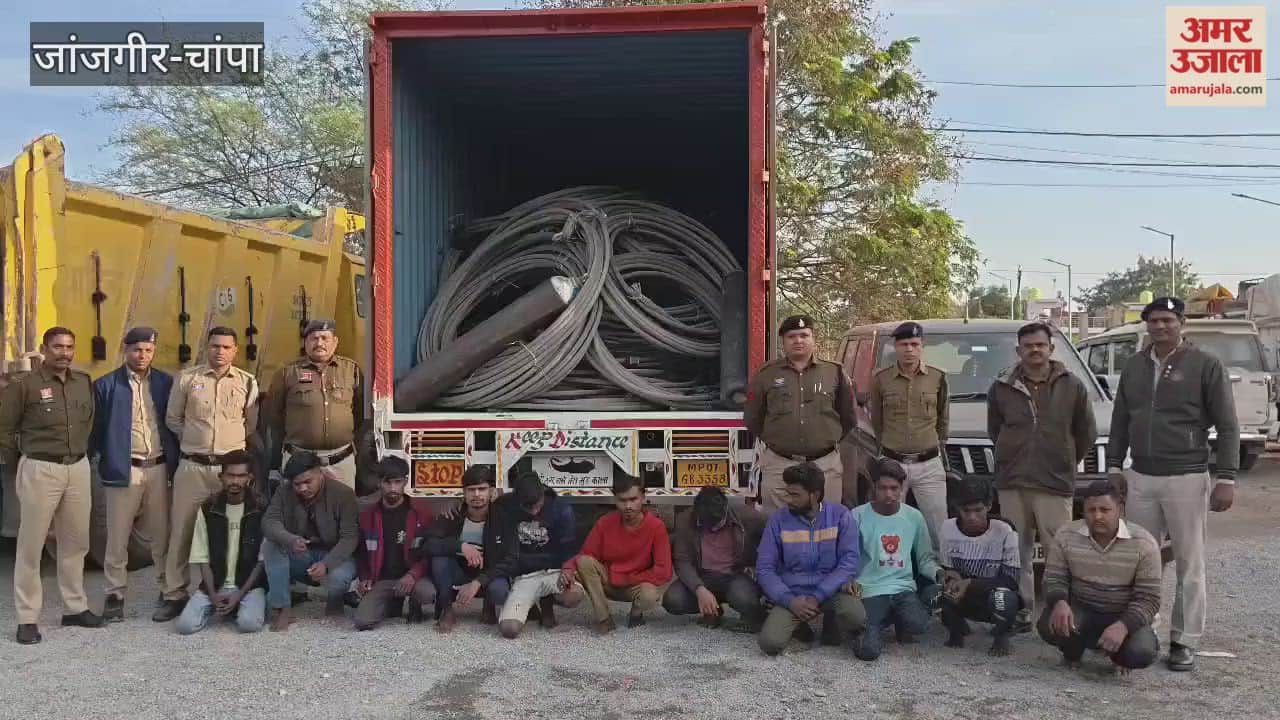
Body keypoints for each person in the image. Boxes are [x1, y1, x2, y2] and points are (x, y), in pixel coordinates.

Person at [1107, 296, 1238, 672]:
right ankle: (1139, 631)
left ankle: (1184, 640)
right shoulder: (1133, 366)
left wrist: (1226, 477)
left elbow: (1228, 425)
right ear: (1145, 324)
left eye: (1168, 320)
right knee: (1139, 560)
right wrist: (1115, 465)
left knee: (1188, 561)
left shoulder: (1205, 364)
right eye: (1154, 320)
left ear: (1182, 322)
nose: (1160, 326)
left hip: (1186, 475)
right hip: (1141, 475)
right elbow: (1120, 420)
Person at [988, 321, 1097, 631]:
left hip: (1054, 482)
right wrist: (1013, 455)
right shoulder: (1002, 386)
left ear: (1051, 347)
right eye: (1028, 345)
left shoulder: (1072, 385)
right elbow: (995, 430)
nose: (1034, 350)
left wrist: (1063, 459)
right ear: (1018, 350)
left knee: (1057, 553)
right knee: (1016, 551)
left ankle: (1058, 613)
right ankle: (1021, 609)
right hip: (1013, 481)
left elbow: (1085, 432)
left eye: (1040, 345)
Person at [0, 328, 103, 644]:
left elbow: (89, 423)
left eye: (69, 347)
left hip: (77, 467)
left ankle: (75, 607)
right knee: (30, 545)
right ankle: (27, 618)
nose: (64, 352)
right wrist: (21, 465)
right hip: (40, 467)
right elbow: (4, 428)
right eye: (57, 346)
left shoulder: (83, 382)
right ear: (44, 348)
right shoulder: (24, 385)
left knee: (75, 543)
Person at [161, 327, 259, 621]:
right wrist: (198, 443)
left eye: (226, 347)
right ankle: (174, 594)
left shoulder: (247, 381)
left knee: (236, 531)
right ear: (206, 347)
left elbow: (249, 425)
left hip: (231, 472)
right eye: (215, 346)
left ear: (235, 351)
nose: (220, 351)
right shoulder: (187, 379)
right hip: (194, 467)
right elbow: (173, 419)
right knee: (181, 531)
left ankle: (234, 588)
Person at [92, 327, 182, 624]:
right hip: (124, 469)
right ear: (125, 350)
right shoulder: (106, 386)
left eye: (148, 350)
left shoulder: (165, 383)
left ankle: (168, 591)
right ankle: (114, 595)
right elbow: (97, 430)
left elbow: (173, 424)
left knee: (161, 536)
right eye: (136, 350)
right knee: (117, 538)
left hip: (158, 468)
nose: (142, 355)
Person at [1039, 480, 1161, 674]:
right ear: (1083, 511)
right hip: (1083, 607)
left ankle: (1119, 656)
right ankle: (1072, 652)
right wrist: (1059, 602)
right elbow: (1054, 577)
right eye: (1091, 510)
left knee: (1141, 651)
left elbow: (1149, 599)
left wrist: (1123, 626)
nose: (1097, 516)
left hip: (1122, 613)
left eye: (1105, 510)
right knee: (1049, 625)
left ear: (1119, 510)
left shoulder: (1143, 544)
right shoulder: (1066, 534)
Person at [744, 315, 857, 513]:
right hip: (780, 464)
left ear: (813, 339)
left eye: (804, 335)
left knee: (827, 525)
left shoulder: (834, 372)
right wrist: (779, 440)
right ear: (783, 342)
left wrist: (826, 440)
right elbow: (753, 418)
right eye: (792, 336)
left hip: (825, 464)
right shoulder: (767, 374)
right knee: (778, 526)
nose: (798, 340)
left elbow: (848, 417)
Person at [755, 462, 865, 656]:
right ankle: (799, 626)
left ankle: (832, 621)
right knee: (769, 643)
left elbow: (849, 562)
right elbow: (764, 568)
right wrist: (789, 601)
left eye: (795, 495)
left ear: (814, 495)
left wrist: (818, 596)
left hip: (831, 591)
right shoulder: (777, 520)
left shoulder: (840, 516)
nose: (788, 500)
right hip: (793, 594)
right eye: (788, 493)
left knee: (855, 617)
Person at [851, 458, 943, 661]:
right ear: (874, 488)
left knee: (919, 625)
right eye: (882, 488)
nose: (889, 494)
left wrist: (939, 573)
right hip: (870, 590)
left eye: (894, 488)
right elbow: (850, 559)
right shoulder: (857, 516)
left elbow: (925, 558)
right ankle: (871, 626)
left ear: (902, 488)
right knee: (868, 652)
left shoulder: (914, 517)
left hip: (902, 589)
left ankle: (898, 620)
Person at [869, 321, 949, 551]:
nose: (909, 349)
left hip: (929, 464)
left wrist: (936, 446)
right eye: (903, 344)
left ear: (922, 346)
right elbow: (877, 420)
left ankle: (942, 578)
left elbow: (943, 419)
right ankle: (892, 576)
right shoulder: (881, 380)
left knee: (938, 527)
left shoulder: (937, 378)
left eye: (914, 344)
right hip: (893, 462)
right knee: (890, 524)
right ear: (895, 346)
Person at [473, 470, 580, 639]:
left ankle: (547, 605)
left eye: (537, 505)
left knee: (573, 596)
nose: (533, 511)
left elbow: (570, 548)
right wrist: (457, 505)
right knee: (509, 629)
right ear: (517, 498)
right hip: (522, 575)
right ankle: (529, 607)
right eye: (527, 506)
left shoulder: (562, 510)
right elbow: (482, 509)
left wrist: (568, 569)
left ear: (542, 493)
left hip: (552, 571)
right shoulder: (506, 504)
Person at [261, 451, 359, 631]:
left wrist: (326, 564)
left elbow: (350, 537)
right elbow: (269, 522)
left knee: (339, 578)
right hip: (302, 553)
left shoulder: (344, 494)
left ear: (320, 473)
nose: (303, 488)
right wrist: (290, 539)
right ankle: (283, 606)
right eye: (297, 484)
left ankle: (335, 601)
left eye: (308, 482)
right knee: (270, 546)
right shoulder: (284, 491)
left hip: (335, 555)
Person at [263, 319, 365, 490]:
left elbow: (360, 414)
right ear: (305, 342)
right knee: (298, 513)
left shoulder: (351, 371)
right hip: (299, 463)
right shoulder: (287, 373)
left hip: (340, 463)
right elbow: (274, 418)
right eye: (314, 338)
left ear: (335, 341)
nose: (319, 343)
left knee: (342, 512)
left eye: (325, 338)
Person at [173, 450, 267, 634]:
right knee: (185, 626)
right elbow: (202, 558)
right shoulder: (209, 509)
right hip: (216, 584)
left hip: (248, 586)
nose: (235, 481)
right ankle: (223, 607)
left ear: (250, 478)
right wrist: (214, 596)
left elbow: (261, 562)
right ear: (221, 476)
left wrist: (239, 595)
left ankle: (237, 607)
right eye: (230, 475)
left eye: (241, 476)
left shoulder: (260, 509)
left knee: (249, 624)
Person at [565, 475, 672, 634]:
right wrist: (567, 568)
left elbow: (663, 571)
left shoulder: (656, 527)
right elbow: (586, 554)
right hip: (609, 580)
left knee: (650, 595)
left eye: (633, 499)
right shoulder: (605, 522)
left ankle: (636, 615)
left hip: (636, 584)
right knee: (584, 562)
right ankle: (604, 619)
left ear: (643, 498)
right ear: (615, 500)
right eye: (622, 500)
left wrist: (628, 578)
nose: (628, 505)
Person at [938, 475, 1022, 656]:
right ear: (957, 508)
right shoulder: (947, 528)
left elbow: (1011, 581)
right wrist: (952, 578)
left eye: (978, 510)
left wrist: (969, 583)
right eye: (965, 510)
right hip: (963, 593)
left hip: (992, 593)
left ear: (989, 506)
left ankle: (1002, 635)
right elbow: (947, 568)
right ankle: (956, 630)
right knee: (936, 591)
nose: (971, 517)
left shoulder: (1005, 530)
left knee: (1003, 599)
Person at [663, 486, 765, 630]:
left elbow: (774, 539)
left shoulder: (749, 517)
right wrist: (699, 590)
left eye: (717, 523)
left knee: (746, 599)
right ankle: (713, 610)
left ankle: (755, 616)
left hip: (735, 575)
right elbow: (682, 561)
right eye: (706, 525)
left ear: (726, 509)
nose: (713, 529)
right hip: (702, 575)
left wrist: (758, 568)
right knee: (673, 600)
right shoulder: (685, 520)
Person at [352, 456, 436, 630]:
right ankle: (393, 603)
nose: (392, 488)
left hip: (413, 578)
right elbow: (361, 554)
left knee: (427, 593)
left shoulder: (421, 512)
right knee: (362, 621)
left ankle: (415, 605)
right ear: (378, 483)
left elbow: (429, 552)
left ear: (405, 481)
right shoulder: (367, 516)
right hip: (382, 580)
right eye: (387, 482)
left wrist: (413, 574)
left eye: (397, 482)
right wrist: (365, 578)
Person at [427, 465, 498, 633]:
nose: (477, 495)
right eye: (471, 490)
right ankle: (447, 610)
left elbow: (508, 557)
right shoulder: (453, 515)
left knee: (500, 588)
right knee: (439, 558)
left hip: (488, 573)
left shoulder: (500, 517)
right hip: (459, 570)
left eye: (482, 489)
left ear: (491, 491)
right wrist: (461, 546)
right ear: (464, 493)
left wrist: (479, 581)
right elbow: (428, 544)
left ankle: (489, 606)